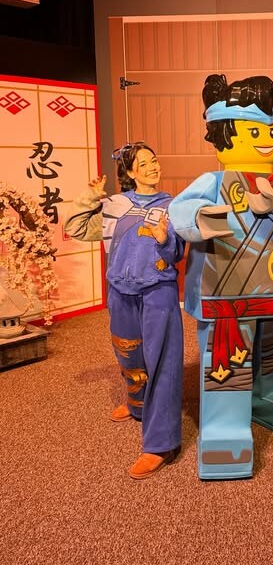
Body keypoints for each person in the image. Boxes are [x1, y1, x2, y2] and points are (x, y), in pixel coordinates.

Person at [169, 74, 273, 480]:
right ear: (222, 134)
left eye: (272, 131)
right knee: (228, 360)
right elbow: (180, 211)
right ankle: (225, 431)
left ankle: (272, 394)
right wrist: (203, 217)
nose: (266, 140)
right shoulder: (212, 181)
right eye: (255, 131)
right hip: (227, 292)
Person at [64, 142, 184, 479]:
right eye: (143, 163)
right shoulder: (115, 205)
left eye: (154, 160)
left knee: (163, 363)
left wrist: (163, 239)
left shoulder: (173, 206)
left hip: (158, 291)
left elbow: (177, 253)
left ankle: (160, 443)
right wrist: (90, 198)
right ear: (130, 172)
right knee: (128, 353)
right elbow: (74, 227)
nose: (152, 166)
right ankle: (137, 405)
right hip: (120, 290)